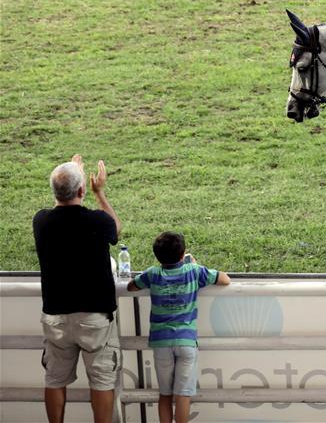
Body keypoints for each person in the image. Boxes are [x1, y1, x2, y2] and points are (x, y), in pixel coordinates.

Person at [32, 154, 123, 423]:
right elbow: (116, 229)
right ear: (82, 190)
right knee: (103, 381)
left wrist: (72, 176)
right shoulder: (98, 221)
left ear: (55, 192)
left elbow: (59, 209)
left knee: (54, 379)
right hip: (95, 317)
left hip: (56, 317)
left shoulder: (41, 221)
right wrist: (99, 193)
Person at [127, 232, 231, 423]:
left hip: (161, 342)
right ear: (183, 254)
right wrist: (194, 264)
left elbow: (131, 286)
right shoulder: (193, 271)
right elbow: (225, 279)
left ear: (157, 255)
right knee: (183, 394)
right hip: (186, 341)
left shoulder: (153, 274)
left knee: (165, 394)